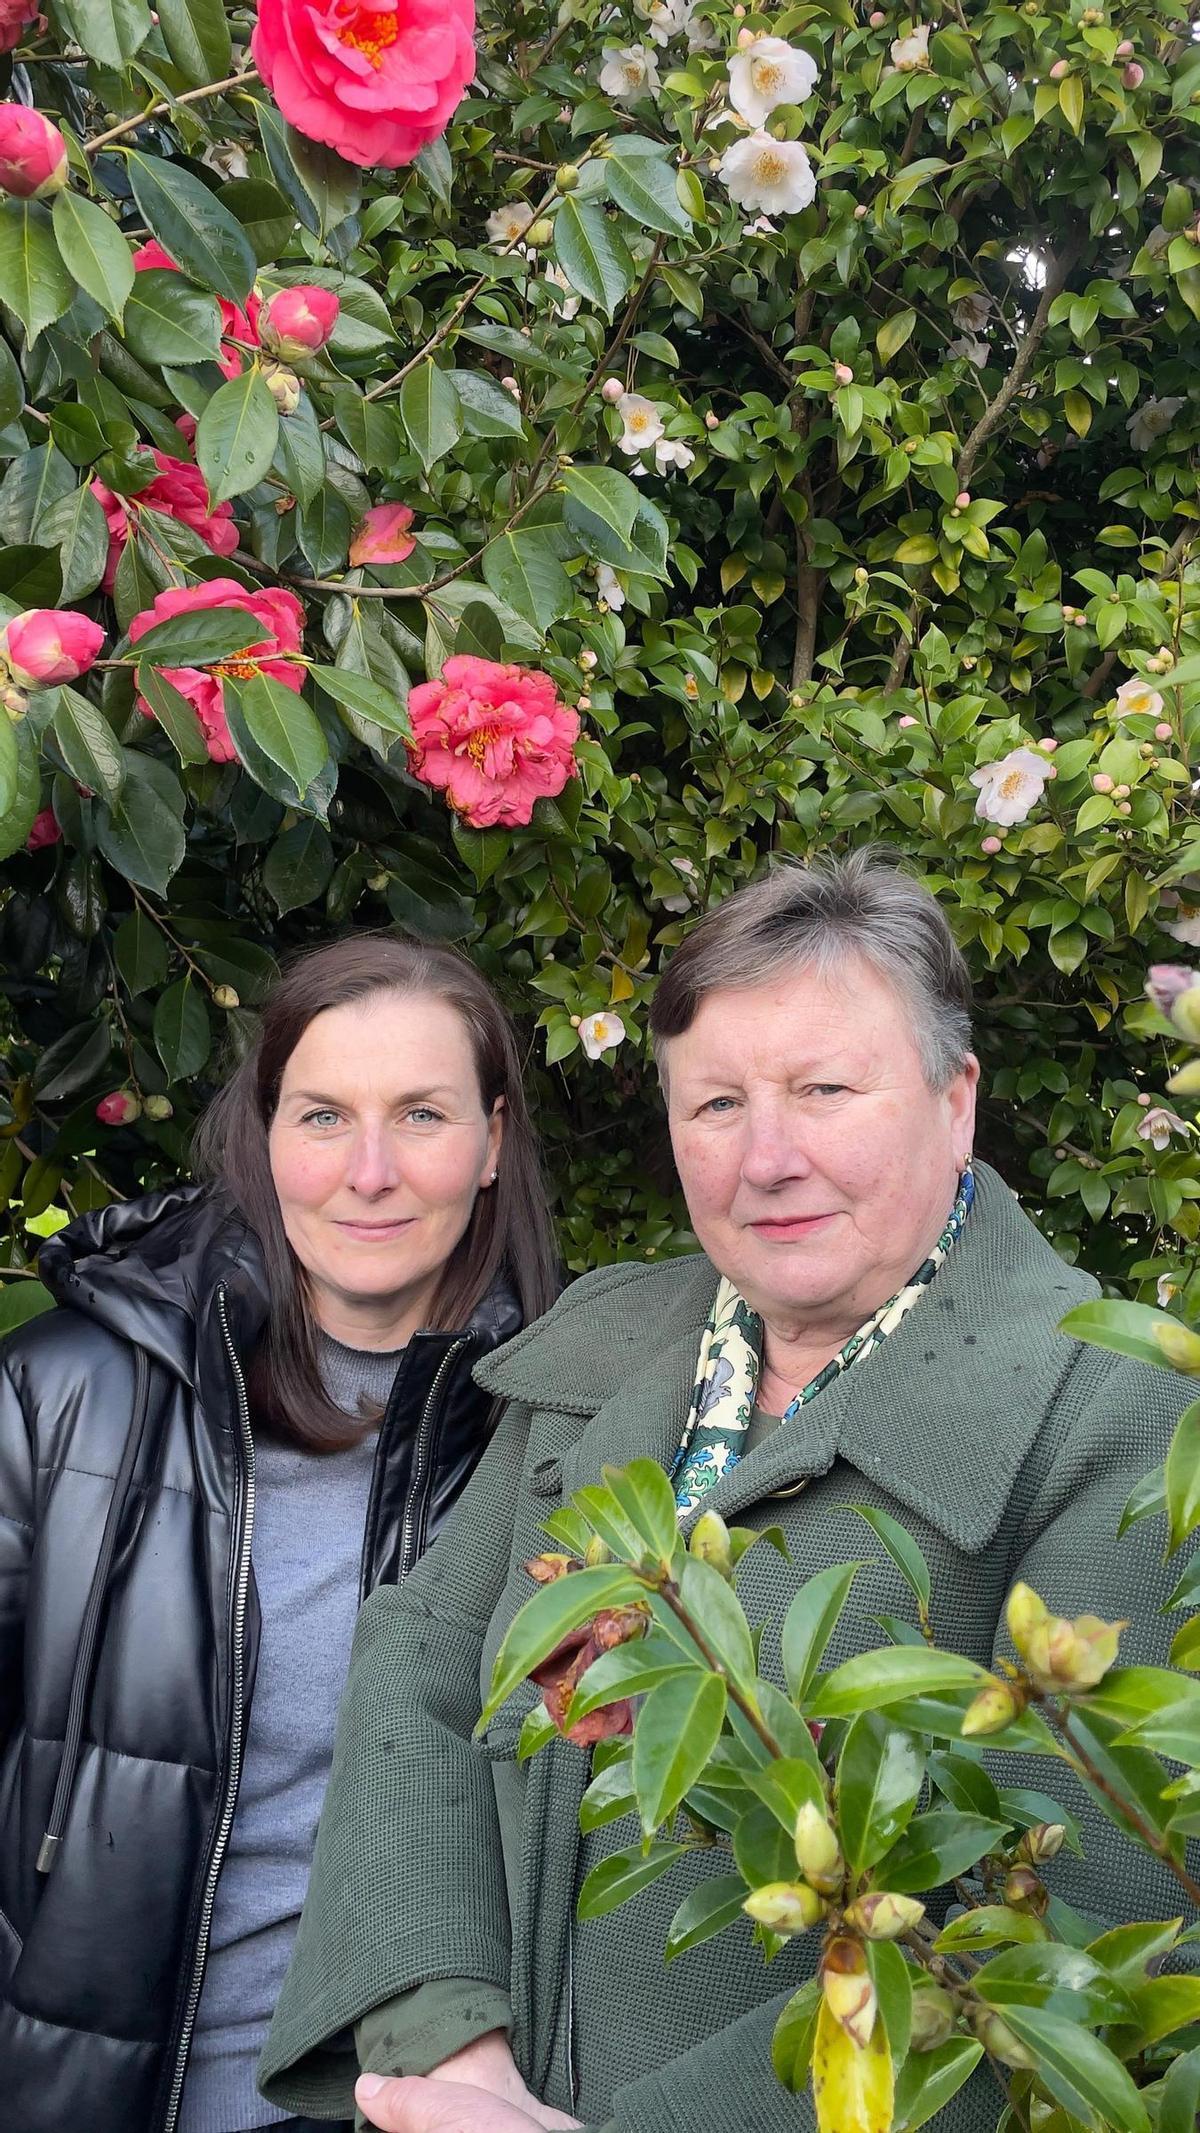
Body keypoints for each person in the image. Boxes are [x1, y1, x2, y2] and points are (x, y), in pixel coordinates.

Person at [260, 852, 1195, 2133]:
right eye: (714, 1106)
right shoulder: (613, 1337)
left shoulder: (1115, 1408)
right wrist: (451, 2052)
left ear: (956, 1098)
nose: (766, 1158)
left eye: (824, 1092)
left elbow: (1080, 1911)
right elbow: (418, 1668)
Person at [0, 933, 559, 2133]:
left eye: (421, 1115)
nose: (369, 1171)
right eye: (320, 1117)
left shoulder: (563, 1436)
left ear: (494, 1142)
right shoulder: (62, 1397)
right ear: (264, 1135)